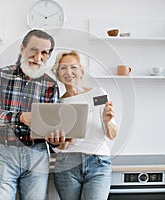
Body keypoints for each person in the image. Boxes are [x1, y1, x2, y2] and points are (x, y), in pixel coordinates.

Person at [0, 29, 65, 200]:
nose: (38, 58)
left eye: (44, 53)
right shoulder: (1, 75)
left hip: (37, 155)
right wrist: (20, 117)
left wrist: (55, 140)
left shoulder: (51, 84)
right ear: (22, 49)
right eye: (34, 50)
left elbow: (52, 124)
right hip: (3, 153)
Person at [48, 50, 118, 200]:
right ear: (58, 75)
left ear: (81, 71)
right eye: (63, 68)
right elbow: (61, 147)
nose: (68, 72)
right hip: (66, 164)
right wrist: (59, 142)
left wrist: (107, 121)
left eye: (73, 67)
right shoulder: (58, 104)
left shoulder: (97, 94)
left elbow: (112, 134)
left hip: (98, 163)